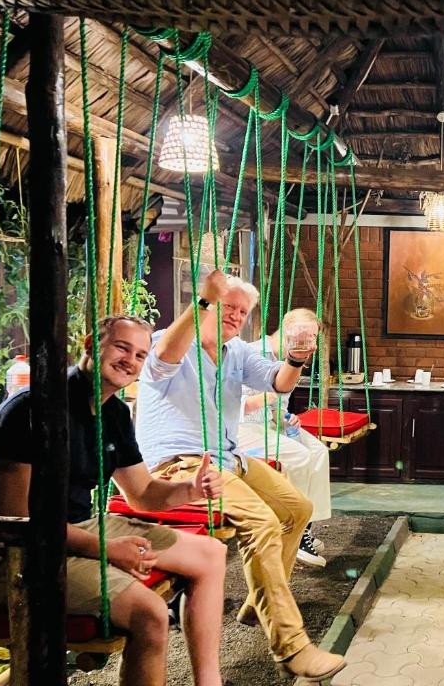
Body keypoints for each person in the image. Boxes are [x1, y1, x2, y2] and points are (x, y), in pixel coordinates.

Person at [0, 315, 227, 686]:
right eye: (121, 347)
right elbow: (15, 521)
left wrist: (190, 490)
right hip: (18, 555)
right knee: (150, 614)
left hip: (78, 529)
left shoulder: (114, 412)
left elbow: (143, 493)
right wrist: (104, 549)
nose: (130, 361)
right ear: (91, 344)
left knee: (211, 553)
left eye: (140, 355)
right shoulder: (30, 409)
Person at [134, 270, 346, 681]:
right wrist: (201, 302)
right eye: (227, 306)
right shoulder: (171, 341)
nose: (235, 315)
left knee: (297, 509)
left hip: (229, 457)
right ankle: (291, 646)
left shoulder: (237, 352)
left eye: (242, 311)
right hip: (182, 462)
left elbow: (279, 383)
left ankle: (258, 602)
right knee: (262, 522)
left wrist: (297, 358)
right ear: (208, 305)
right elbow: (161, 363)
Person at [239, 308, 331, 568]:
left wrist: (285, 418)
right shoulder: (251, 353)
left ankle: (307, 527)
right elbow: (231, 402)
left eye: (311, 338)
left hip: (268, 426)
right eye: (303, 336)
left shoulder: (292, 360)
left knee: (318, 451)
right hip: (241, 428)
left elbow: (278, 407)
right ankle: (293, 528)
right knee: (300, 456)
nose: (307, 344)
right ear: (287, 330)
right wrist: (265, 398)